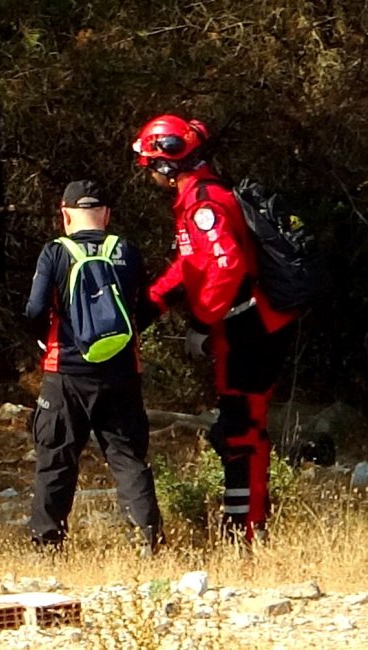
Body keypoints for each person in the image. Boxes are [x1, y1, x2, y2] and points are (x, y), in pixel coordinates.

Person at [132, 114, 298, 542]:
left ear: (168, 165)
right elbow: (191, 264)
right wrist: (151, 303)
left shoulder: (204, 204)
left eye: (151, 164)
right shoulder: (199, 196)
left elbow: (226, 266)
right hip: (247, 324)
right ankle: (246, 524)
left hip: (248, 327)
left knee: (240, 427)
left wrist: (203, 321)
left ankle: (244, 529)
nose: (150, 174)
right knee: (239, 425)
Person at [25, 179, 164, 554]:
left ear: (65, 214)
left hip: (65, 372)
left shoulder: (55, 252)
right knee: (128, 458)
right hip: (121, 372)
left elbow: (36, 309)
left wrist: (43, 337)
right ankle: (149, 542)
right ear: (106, 215)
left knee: (56, 459)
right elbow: (147, 304)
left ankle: (47, 545)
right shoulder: (126, 251)